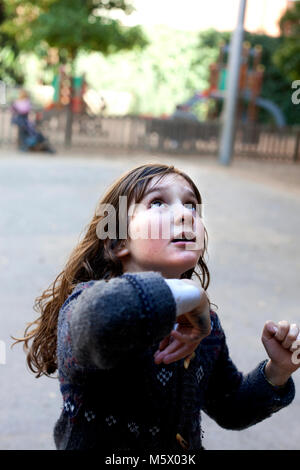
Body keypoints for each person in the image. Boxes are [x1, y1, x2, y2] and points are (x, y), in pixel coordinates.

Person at [14, 163, 299, 452]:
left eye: (192, 205)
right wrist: (189, 293)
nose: (185, 214)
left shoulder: (204, 325)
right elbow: (101, 320)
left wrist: (277, 371)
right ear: (117, 242)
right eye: (158, 202)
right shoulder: (85, 304)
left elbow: (230, 407)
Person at [11, 89, 55, 153]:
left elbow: (15, 110)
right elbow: (25, 110)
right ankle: (23, 146)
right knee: (24, 134)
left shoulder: (18, 102)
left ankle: (23, 146)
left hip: (21, 120)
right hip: (22, 120)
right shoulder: (24, 102)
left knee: (23, 134)